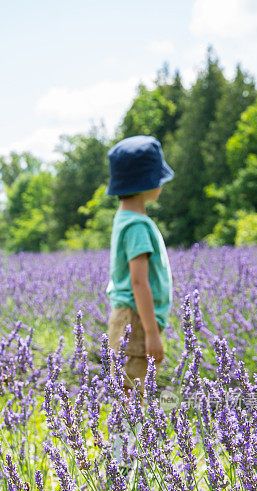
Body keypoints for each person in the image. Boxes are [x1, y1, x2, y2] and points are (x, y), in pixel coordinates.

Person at [106, 135, 174, 397]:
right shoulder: (136, 226)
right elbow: (139, 282)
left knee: (129, 393)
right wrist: (151, 333)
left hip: (128, 318)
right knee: (132, 395)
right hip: (135, 322)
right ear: (146, 182)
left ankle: (124, 438)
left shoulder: (123, 219)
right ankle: (125, 440)